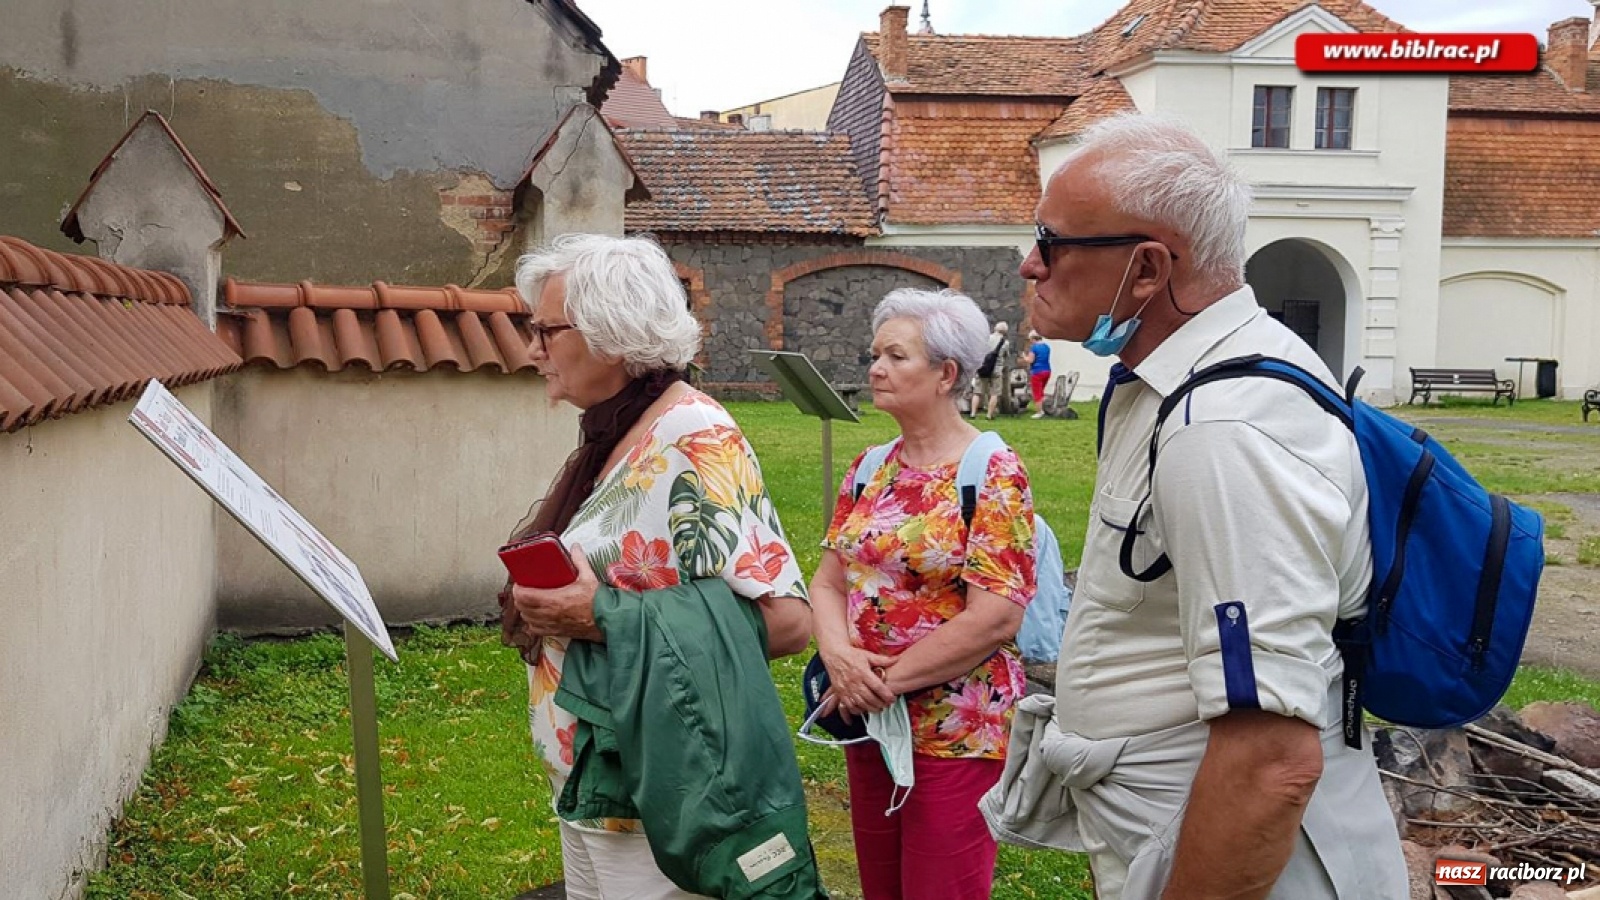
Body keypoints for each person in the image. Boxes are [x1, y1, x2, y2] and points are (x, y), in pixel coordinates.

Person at [990, 113, 1407, 899]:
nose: (1029, 265)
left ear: (1146, 270)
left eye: (1051, 241)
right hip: (1174, 835)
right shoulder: (1179, 383)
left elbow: (1272, 760)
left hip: (1239, 862)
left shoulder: (1223, 429)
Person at [501, 233, 815, 900]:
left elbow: (785, 621)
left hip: (657, 784)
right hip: (599, 775)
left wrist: (598, 615)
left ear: (610, 337)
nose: (532, 349)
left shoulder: (695, 438)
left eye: (545, 330)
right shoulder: (622, 429)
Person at [810, 287, 1038, 900]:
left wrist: (876, 682)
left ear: (946, 374)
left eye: (895, 356)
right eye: (874, 354)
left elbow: (996, 616)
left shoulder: (992, 469)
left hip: (954, 731)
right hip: (866, 720)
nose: (875, 368)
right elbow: (829, 580)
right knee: (881, 887)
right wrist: (838, 659)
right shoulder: (869, 466)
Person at [969, 320, 1010, 420]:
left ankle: (973, 413)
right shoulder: (1005, 343)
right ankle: (989, 415)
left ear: (995, 328)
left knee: (977, 392)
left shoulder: (986, 339)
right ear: (1005, 331)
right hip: (996, 370)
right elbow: (1006, 355)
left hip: (983, 368)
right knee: (994, 393)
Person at [1019, 331, 1052, 419]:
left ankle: (1039, 412)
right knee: (1041, 391)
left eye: (1030, 340)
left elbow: (1030, 360)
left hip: (1037, 371)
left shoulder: (1034, 348)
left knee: (1037, 393)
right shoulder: (1047, 347)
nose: (1030, 342)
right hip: (1047, 370)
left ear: (1033, 339)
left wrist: (1024, 357)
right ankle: (1043, 408)